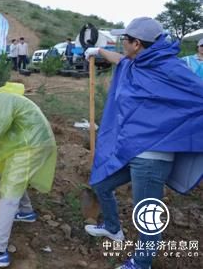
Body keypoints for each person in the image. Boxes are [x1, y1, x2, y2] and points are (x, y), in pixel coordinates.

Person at [84, 17, 203, 269]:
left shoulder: (171, 68)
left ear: (136, 43)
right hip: (131, 149)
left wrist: (168, 126)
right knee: (101, 184)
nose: (122, 44)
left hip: (153, 156)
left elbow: (198, 95)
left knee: (146, 214)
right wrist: (98, 51)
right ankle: (114, 229)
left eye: (124, 40)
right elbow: (121, 60)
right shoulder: (139, 61)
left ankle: (142, 263)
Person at [0, 73, 57, 268]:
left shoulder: (0, 98)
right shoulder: (6, 98)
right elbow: (2, 136)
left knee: (9, 191)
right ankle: (25, 211)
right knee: (13, 176)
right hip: (35, 142)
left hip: (32, 145)